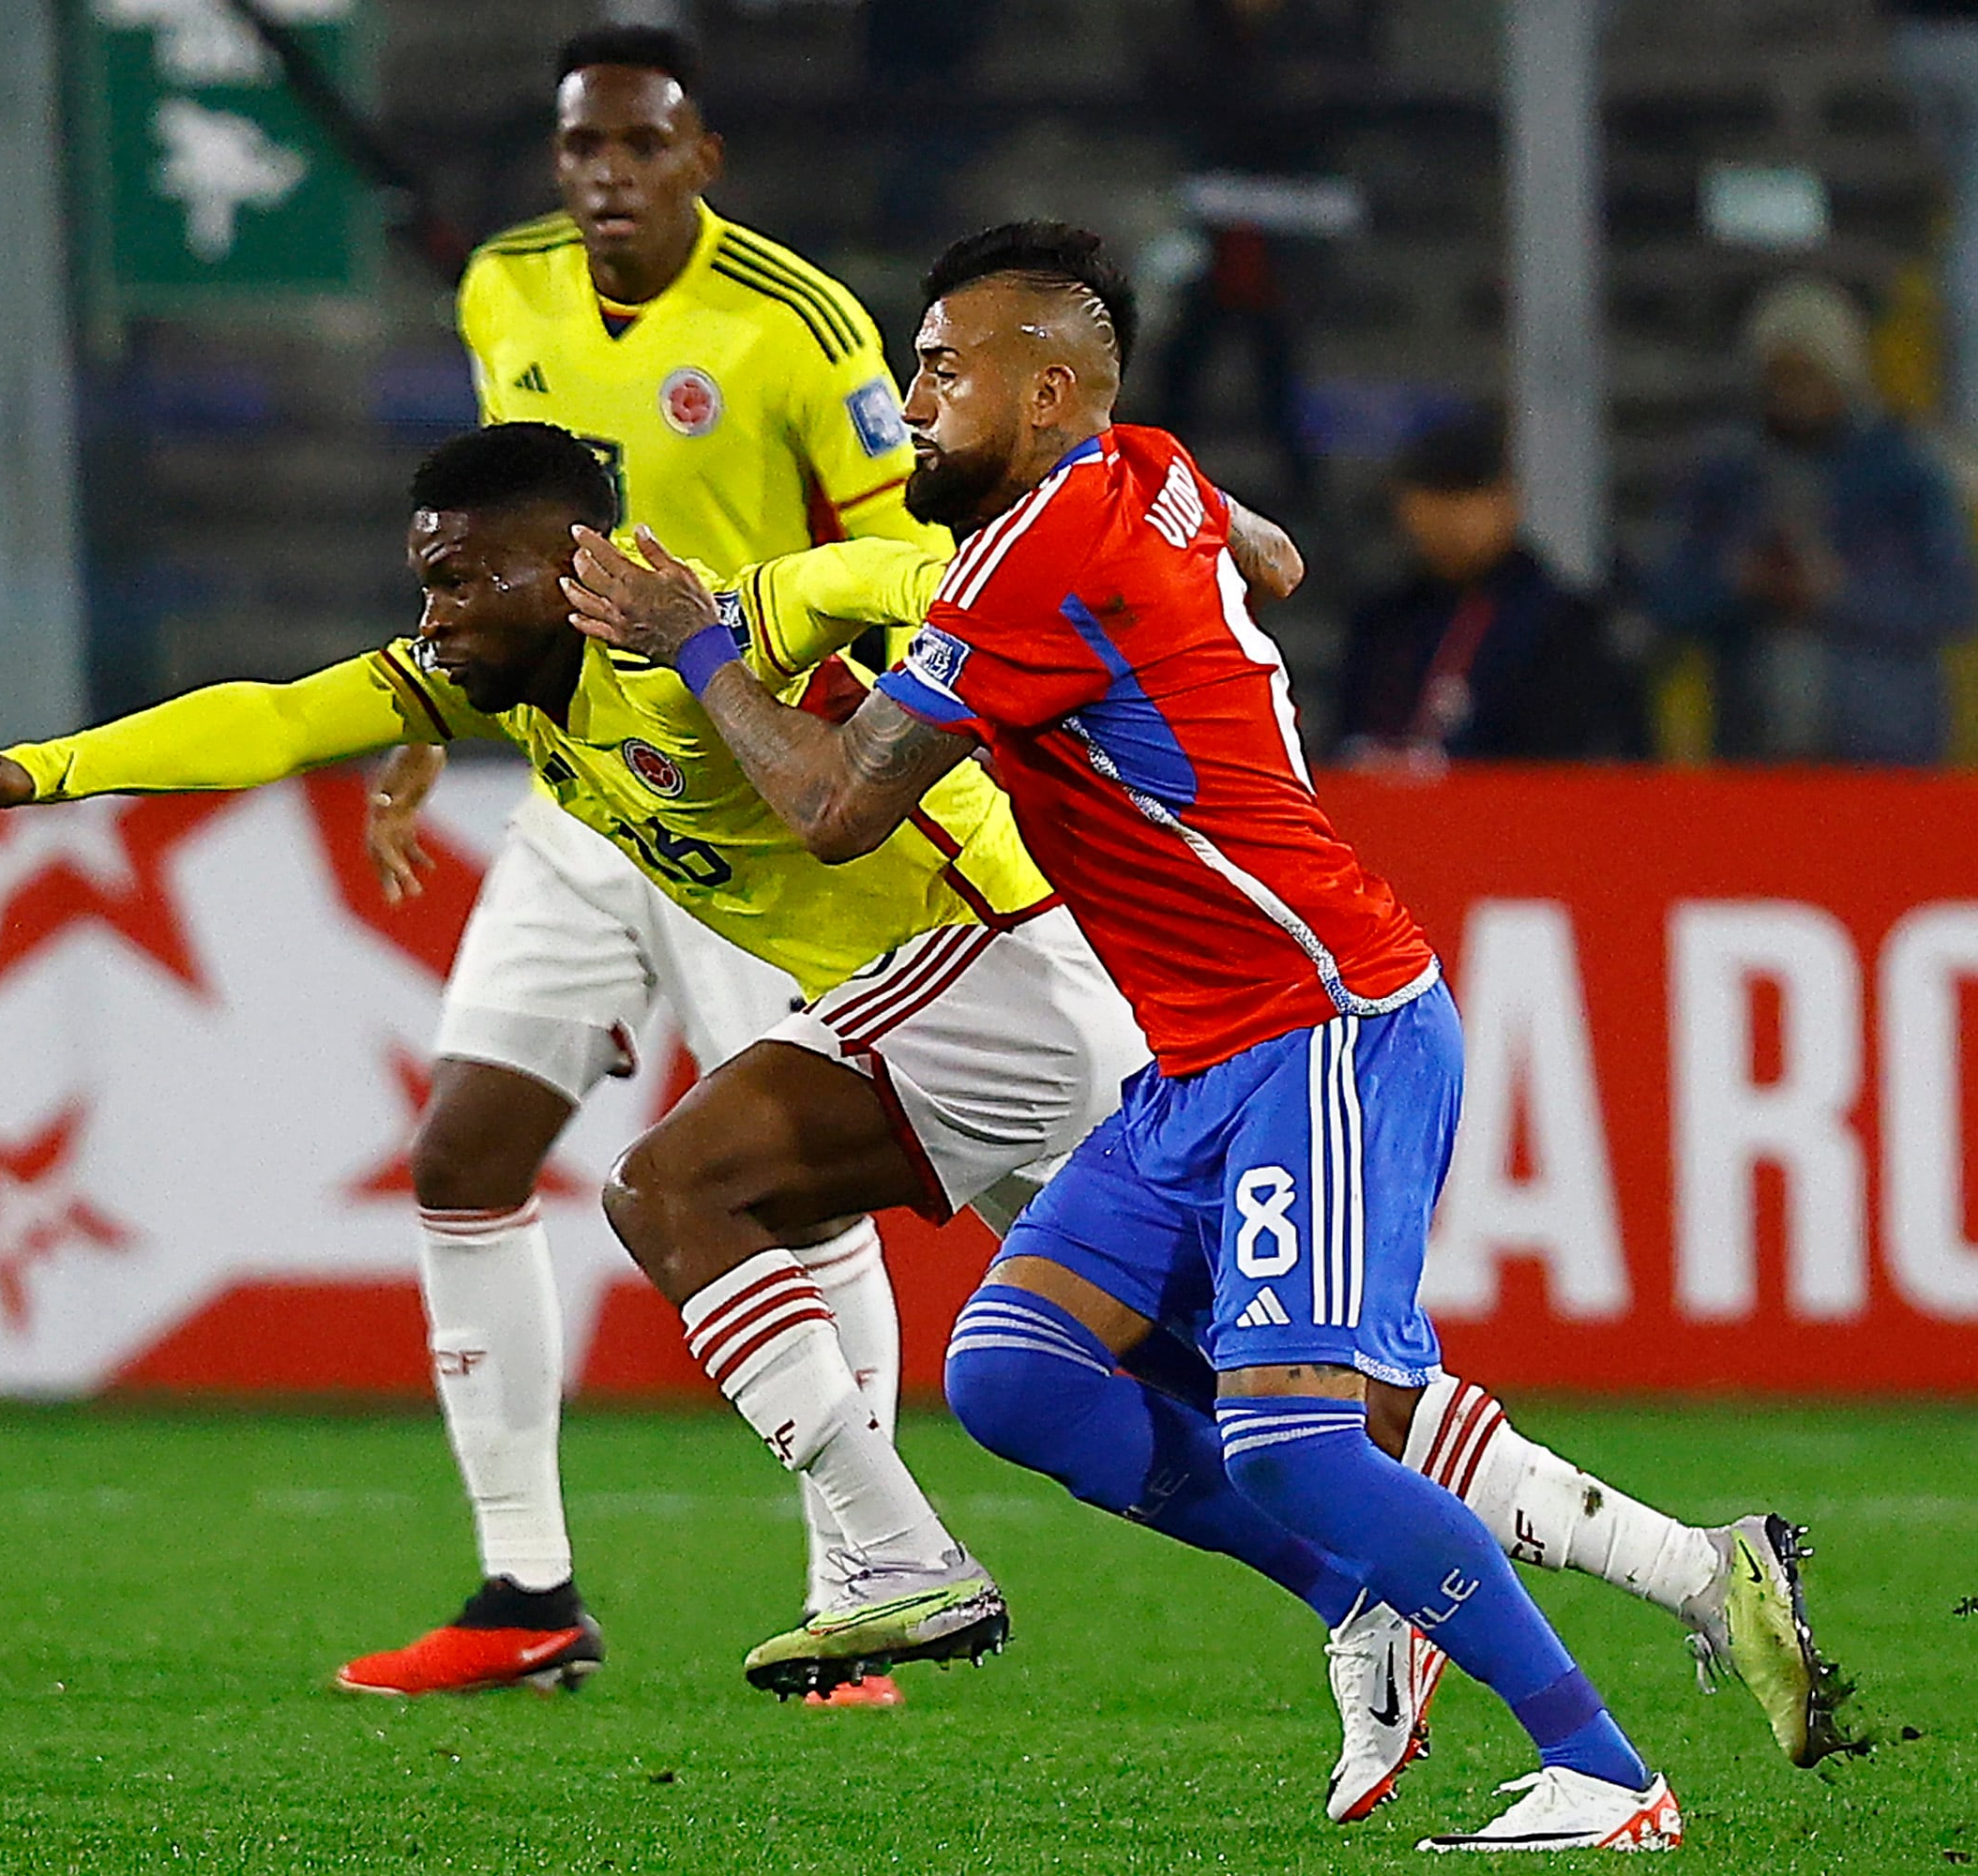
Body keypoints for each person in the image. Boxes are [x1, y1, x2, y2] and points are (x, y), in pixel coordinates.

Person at [0, 421, 1844, 1825]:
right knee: (1180, 1388)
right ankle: (1656, 1573)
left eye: (459, 580)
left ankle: (914, 1558)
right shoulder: (512, 688)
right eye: (423, 588)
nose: (431, 618)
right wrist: (37, 772)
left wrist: (1188, 530)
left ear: (565, 563)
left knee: (691, 1184)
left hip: (1014, 978)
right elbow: (273, 713)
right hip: (966, 1017)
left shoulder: (716, 613)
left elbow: (918, 564)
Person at [563, 220, 1727, 1850]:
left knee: (1293, 1434)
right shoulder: (1139, 469)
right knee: (1019, 1376)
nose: (909, 403)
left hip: (1318, 1018)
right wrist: (1209, 544)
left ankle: (1607, 1771)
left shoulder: (1033, 562)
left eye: (942, 372)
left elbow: (831, 811)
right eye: (912, 367)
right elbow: (1273, 552)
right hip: (1200, 1056)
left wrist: (696, 640)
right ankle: (1371, 1601)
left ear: (1046, 396)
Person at [342, 24, 954, 1701]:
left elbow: (915, 551)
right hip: (570, 786)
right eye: (579, 151)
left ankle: (862, 1597)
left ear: (703, 160)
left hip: (736, 792)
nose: (605, 178)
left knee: (792, 1183)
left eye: (639, 147)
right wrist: (421, 714)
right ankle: (524, 1590)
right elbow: (488, 538)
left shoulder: (798, 324)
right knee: (464, 1150)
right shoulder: (502, 292)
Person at [1647, 276, 1975, 764]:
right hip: (1755, 757)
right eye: (1780, 375)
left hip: (1884, 758)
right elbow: (1663, 595)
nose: (1792, 393)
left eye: (1808, 375)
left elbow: (1955, 601)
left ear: (1843, 373)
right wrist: (1738, 581)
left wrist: (1841, 592)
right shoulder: (1725, 473)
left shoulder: (1903, 470)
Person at [1334, 407, 1646, 765]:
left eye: (1468, 494)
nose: (1450, 518)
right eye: (1435, 496)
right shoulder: (1383, 624)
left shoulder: (1561, 624)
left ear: (1509, 499)